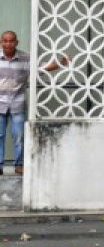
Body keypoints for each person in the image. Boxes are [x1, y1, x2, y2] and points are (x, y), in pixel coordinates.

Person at [0, 31, 68, 176]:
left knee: (18, 137)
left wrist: (60, 64)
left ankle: (19, 165)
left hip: (17, 104)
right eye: (5, 41)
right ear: (1, 42)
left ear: (17, 42)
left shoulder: (25, 57)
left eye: (11, 41)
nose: (8, 44)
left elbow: (42, 67)